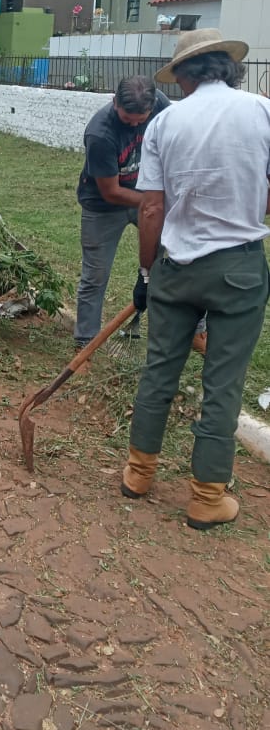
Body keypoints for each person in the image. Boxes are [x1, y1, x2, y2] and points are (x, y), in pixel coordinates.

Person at [121, 29, 270, 530]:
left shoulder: (166, 123)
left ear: (186, 75)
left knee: (159, 370)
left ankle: (138, 475)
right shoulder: (262, 111)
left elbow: (151, 208)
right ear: (226, 67)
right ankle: (208, 497)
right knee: (223, 383)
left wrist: (146, 273)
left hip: (175, 268)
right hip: (240, 269)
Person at [74, 75, 170, 347]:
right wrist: (152, 202)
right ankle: (86, 340)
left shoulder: (161, 105)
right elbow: (111, 192)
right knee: (96, 275)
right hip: (103, 206)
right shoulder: (100, 133)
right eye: (129, 120)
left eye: (142, 119)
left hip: (148, 195)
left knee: (176, 255)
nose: (137, 125)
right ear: (114, 102)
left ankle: (183, 331)